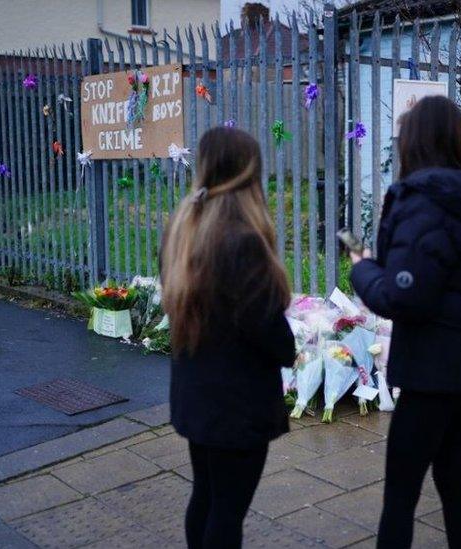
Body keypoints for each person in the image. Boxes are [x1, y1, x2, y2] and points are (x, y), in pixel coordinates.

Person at [349, 96, 461, 549]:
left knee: (401, 495)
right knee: (453, 481)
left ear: (414, 143)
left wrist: (363, 267)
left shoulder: (426, 203)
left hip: (431, 371)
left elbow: (404, 297)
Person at [161, 127, 295, 548]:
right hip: (237, 409)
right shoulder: (242, 242)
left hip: (198, 400)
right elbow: (271, 334)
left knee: (205, 497)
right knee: (227, 512)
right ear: (248, 174)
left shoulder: (182, 230)